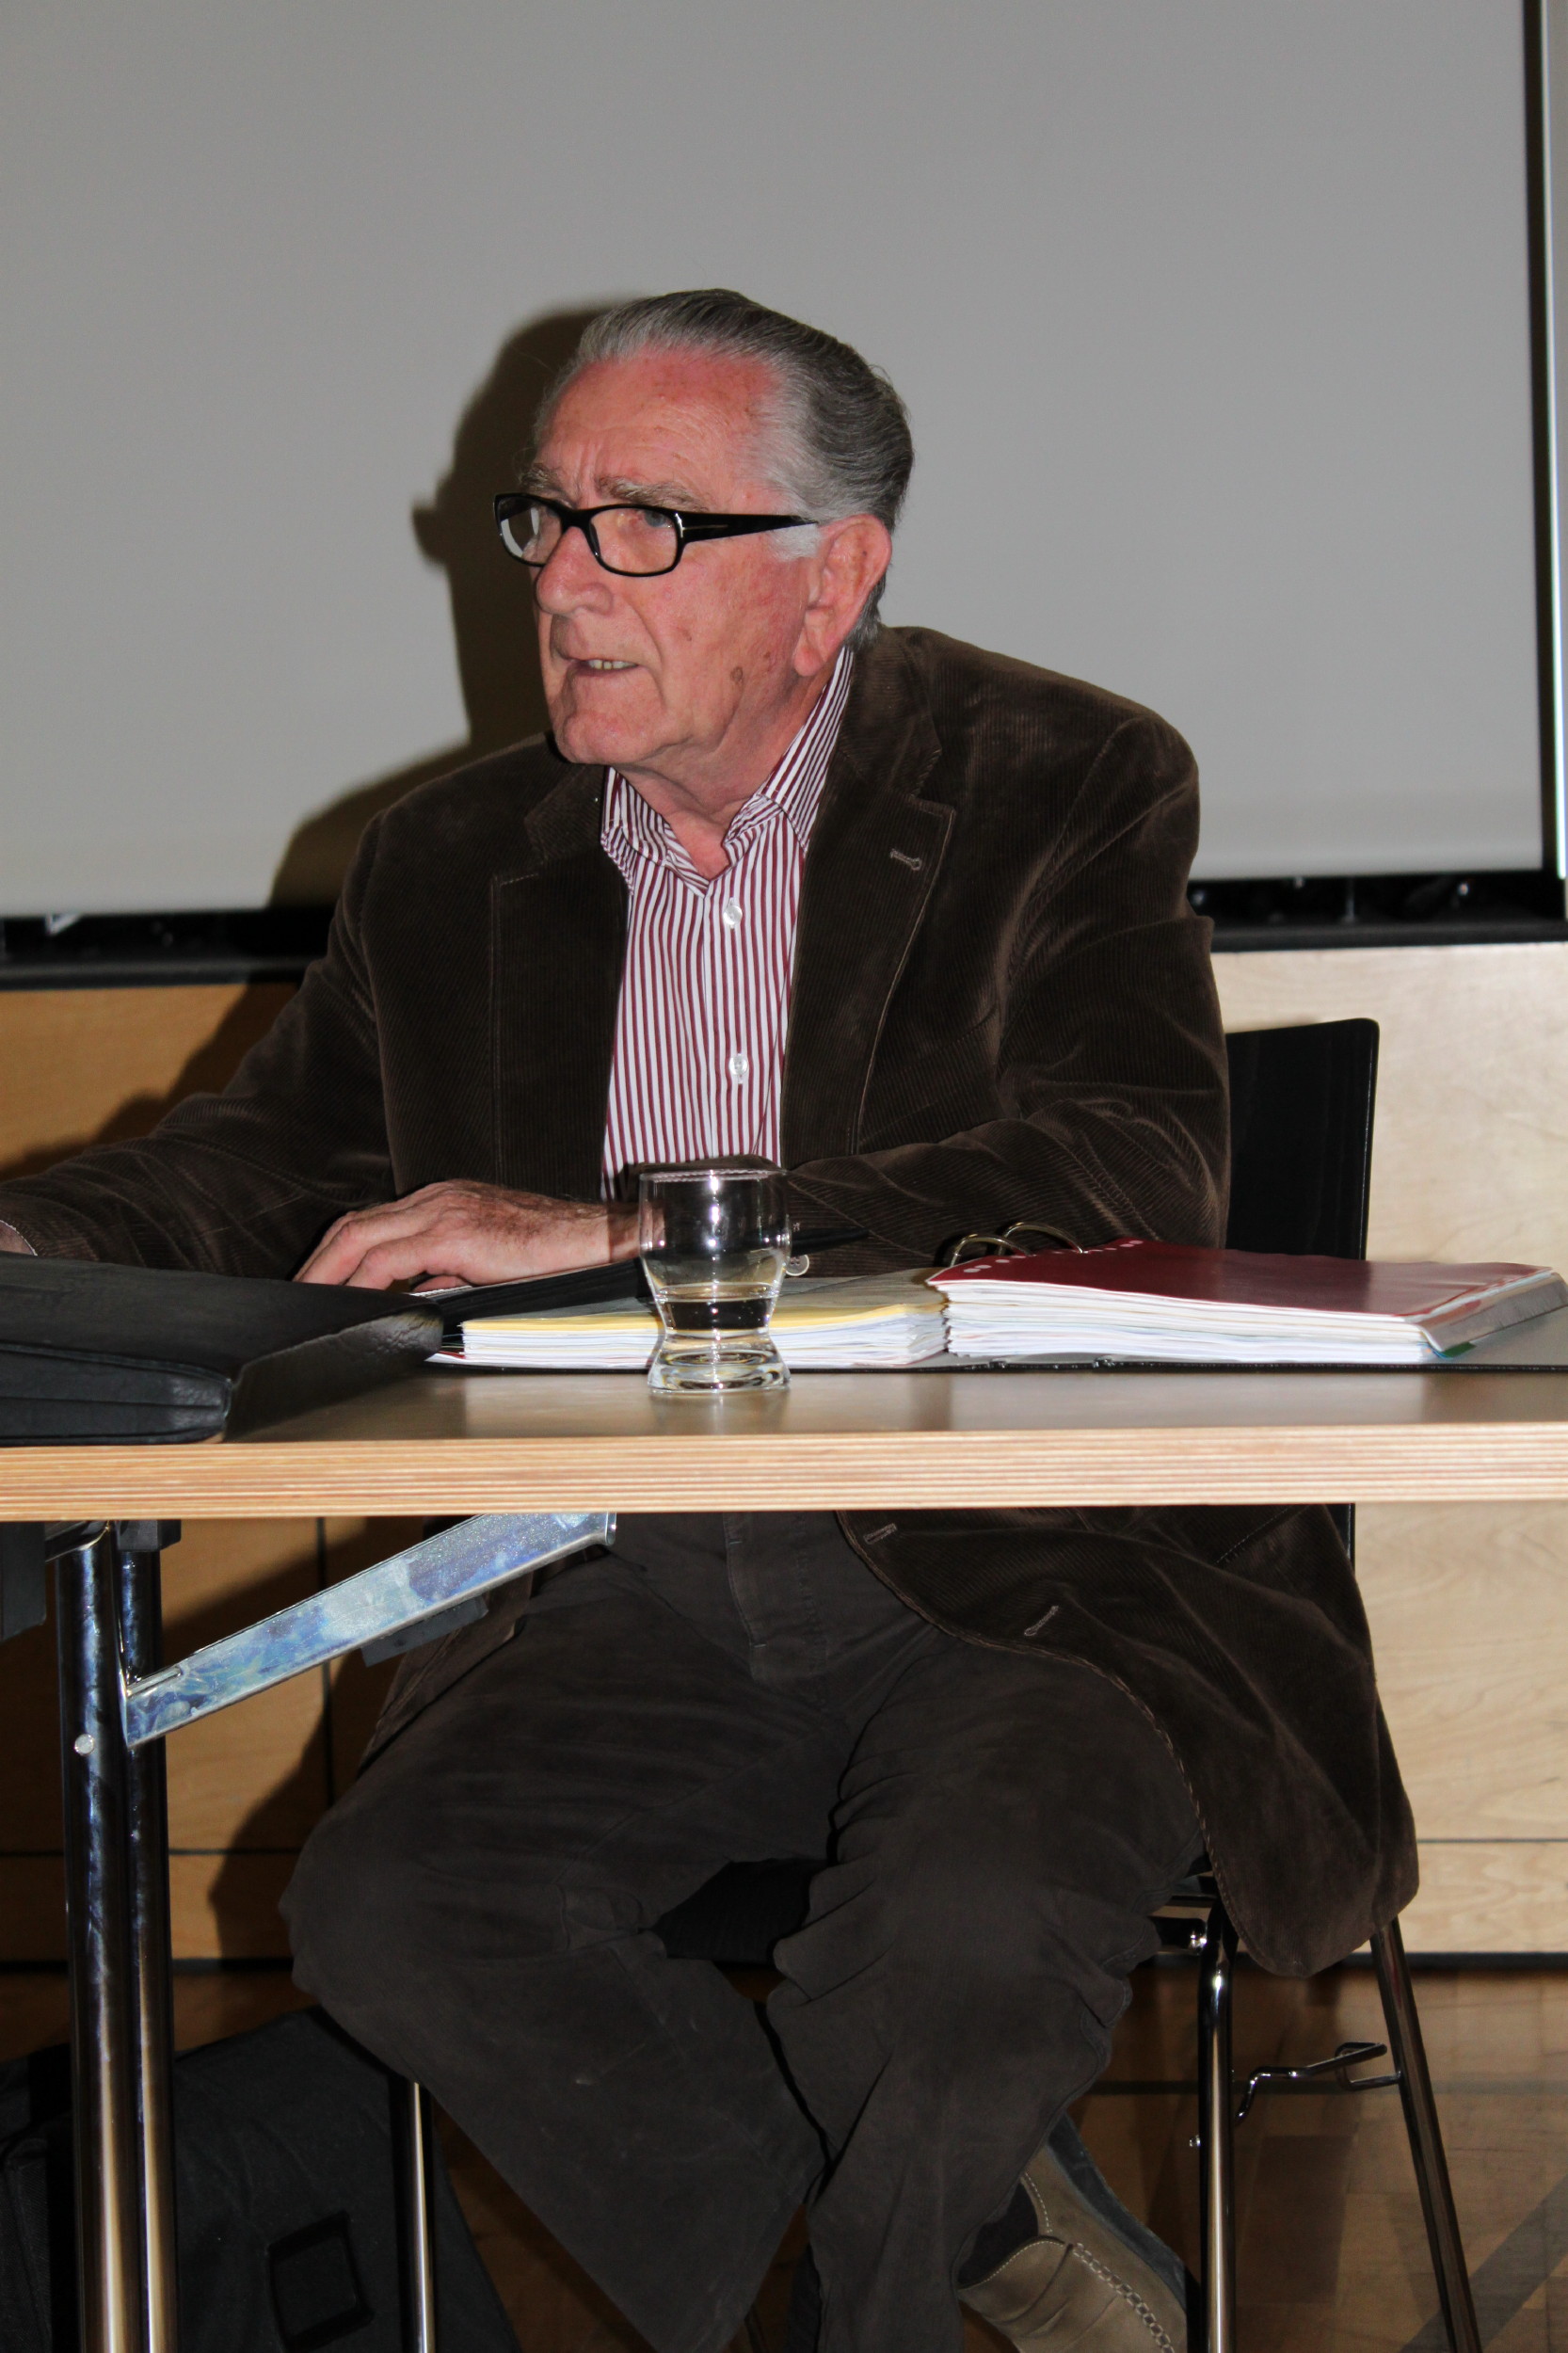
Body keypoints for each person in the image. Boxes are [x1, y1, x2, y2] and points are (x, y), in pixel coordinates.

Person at [0, 291, 1415, 2353]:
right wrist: (27, 1244)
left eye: (639, 525)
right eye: (545, 520)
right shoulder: (451, 861)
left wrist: (627, 1229)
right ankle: (935, 2243)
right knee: (394, 1907)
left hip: (1025, 1567)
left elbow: (1121, 1162)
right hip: (612, 1570)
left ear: (830, 579)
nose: (562, 582)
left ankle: (887, 2247)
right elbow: (277, 1162)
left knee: (951, 1945)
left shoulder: (1057, 780)